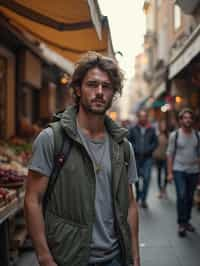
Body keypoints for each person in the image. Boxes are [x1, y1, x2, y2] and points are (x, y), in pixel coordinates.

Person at [24, 52, 140, 266]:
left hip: (115, 258)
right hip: (68, 257)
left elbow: (131, 204)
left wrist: (134, 255)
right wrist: (44, 257)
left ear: (113, 93)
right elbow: (33, 199)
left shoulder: (123, 147)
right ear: (77, 89)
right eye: (92, 84)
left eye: (106, 86)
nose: (99, 92)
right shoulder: (52, 139)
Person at [167, 108, 200, 237]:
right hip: (178, 169)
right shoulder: (174, 135)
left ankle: (187, 221)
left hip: (194, 171)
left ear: (192, 120)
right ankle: (181, 223)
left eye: (190, 118)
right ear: (181, 120)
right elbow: (170, 154)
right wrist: (169, 173)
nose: (188, 120)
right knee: (181, 196)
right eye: (185, 118)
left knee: (190, 198)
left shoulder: (197, 136)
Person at [128, 110, 158, 208]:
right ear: (138, 118)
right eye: (141, 116)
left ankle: (144, 199)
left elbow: (155, 142)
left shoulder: (152, 129)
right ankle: (138, 195)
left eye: (145, 116)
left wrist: (149, 149)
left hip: (147, 158)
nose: (143, 118)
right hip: (135, 158)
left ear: (147, 118)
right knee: (136, 179)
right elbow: (129, 141)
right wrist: (135, 149)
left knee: (146, 178)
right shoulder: (133, 129)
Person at [153, 120, 168, 198]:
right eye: (161, 125)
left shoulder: (168, 135)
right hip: (158, 157)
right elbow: (154, 145)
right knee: (159, 174)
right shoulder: (156, 134)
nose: (163, 127)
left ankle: (164, 189)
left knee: (166, 174)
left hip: (166, 158)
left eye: (164, 125)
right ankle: (160, 190)